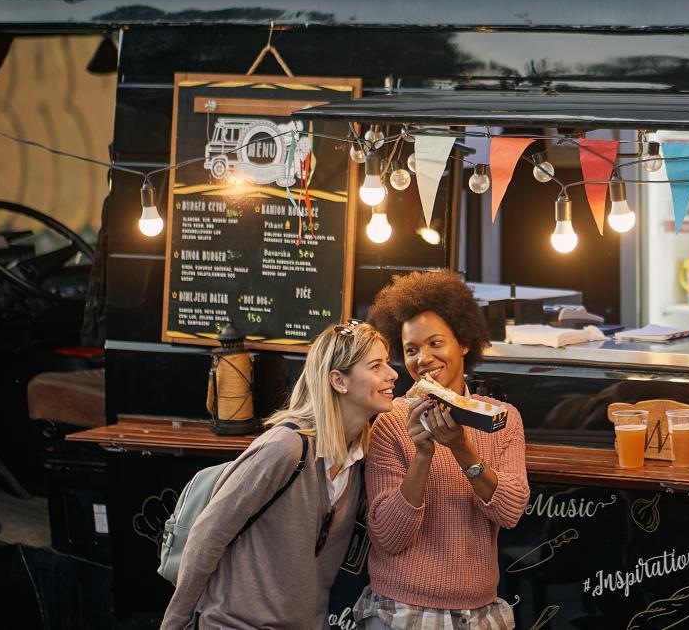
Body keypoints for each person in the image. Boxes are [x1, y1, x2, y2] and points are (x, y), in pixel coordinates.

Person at [161, 321, 397, 630]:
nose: (392, 374)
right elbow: (207, 536)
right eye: (376, 366)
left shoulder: (358, 459)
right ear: (339, 381)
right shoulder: (284, 449)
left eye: (387, 364)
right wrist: (174, 623)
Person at [359, 270, 530, 630]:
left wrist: (462, 449)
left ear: (464, 342)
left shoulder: (502, 420)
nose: (424, 358)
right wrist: (423, 456)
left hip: (480, 610)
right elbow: (388, 537)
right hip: (401, 610)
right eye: (411, 350)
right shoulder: (391, 421)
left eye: (436, 343)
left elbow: (511, 512)